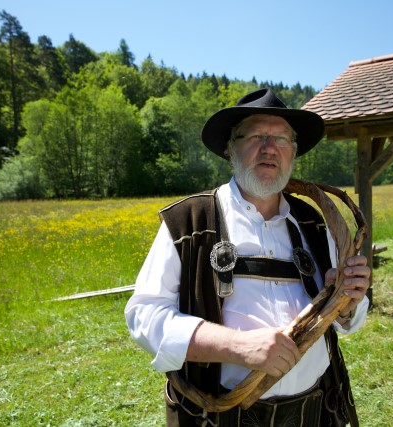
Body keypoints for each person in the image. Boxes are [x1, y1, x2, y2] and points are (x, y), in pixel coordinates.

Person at [125, 88, 371, 426]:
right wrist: (237, 346)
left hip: (315, 411)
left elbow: (348, 321)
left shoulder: (315, 223)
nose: (270, 147)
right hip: (221, 417)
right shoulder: (189, 222)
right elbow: (145, 316)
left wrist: (349, 302)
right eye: (256, 135)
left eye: (282, 139)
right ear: (230, 148)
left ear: (293, 153)